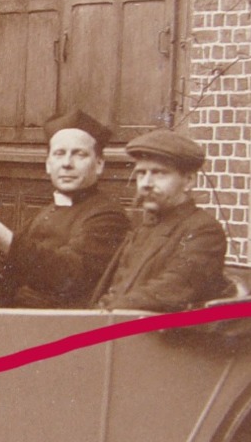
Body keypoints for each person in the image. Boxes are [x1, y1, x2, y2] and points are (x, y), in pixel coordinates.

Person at [0, 110, 130, 308]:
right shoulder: (47, 212)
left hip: (57, 327)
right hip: (20, 314)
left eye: (79, 154)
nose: (67, 164)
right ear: (49, 164)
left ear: (99, 165)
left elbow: (67, 275)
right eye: (59, 154)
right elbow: (8, 273)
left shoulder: (108, 216)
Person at [92, 127, 230, 312]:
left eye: (159, 173)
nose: (146, 183)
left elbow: (171, 289)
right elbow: (119, 286)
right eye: (141, 173)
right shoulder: (142, 228)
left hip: (167, 336)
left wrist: (106, 313)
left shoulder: (203, 231)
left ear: (188, 181)